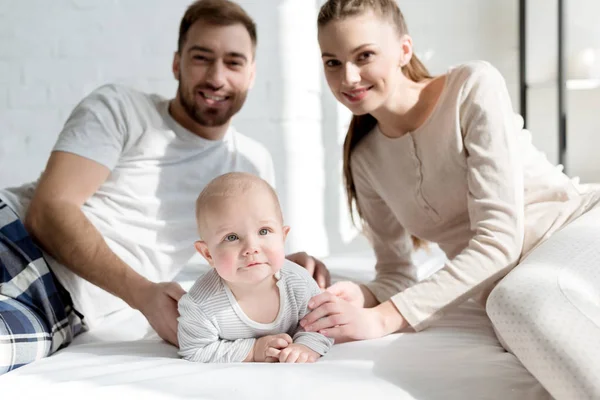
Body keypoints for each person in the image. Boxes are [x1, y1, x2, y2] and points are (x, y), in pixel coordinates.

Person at [0, 0, 327, 375]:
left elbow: (236, 253)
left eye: (234, 62)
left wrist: (278, 267)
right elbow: (48, 211)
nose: (217, 77)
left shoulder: (251, 163)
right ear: (177, 63)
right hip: (14, 238)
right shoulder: (121, 109)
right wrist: (143, 294)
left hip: (66, 306)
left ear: (252, 73)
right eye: (202, 58)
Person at [299, 0, 600, 398]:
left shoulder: (472, 86)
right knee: (508, 308)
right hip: (511, 282)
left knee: (511, 302)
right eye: (332, 62)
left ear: (404, 49)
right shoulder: (364, 159)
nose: (348, 77)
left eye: (364, 56)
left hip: (575, 228)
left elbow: (498, 241)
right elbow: (396, 273)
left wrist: (384, 319)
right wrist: (358, 296)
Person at [177, 172, 333, 363]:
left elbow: (321, 324)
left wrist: (305, 346)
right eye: (232, 237)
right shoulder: (201, 304)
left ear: (282, 237)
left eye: (264, 231)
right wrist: (253, 350)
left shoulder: (299, 283)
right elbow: (195, 350)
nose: (251, 248)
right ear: (208, 254)